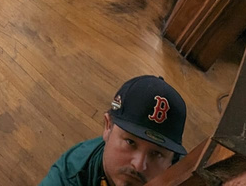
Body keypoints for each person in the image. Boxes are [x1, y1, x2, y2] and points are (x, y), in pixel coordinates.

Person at [39, 75, 187, 186]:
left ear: (172, 157)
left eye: (156, 153)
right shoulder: (69, 176)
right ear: (108, 127)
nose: (139, 165)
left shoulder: (187, 174)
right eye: (130, 142)